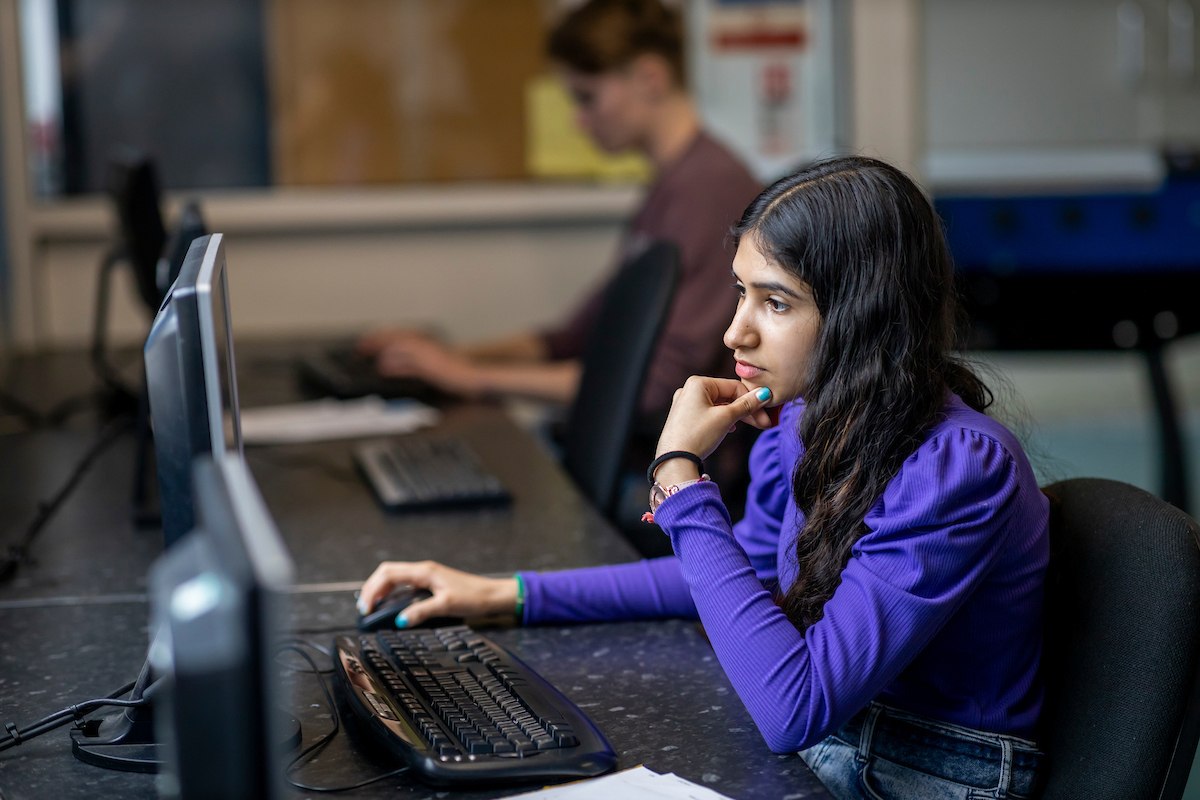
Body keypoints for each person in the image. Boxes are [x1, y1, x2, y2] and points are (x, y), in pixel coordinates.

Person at [357, 155, 1050, 799]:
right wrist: (506, 595)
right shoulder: (803, 420)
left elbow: (794, 708)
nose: (735, 332)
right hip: (841, 742)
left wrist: (681, 479)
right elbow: (736, 569)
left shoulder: (958, 469)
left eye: (775, 304)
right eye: (740, 293)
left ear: (862, 318)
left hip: (922, 770)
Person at [356, 0, 762, 510]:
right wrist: (449, 357)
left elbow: (651, 385)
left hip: (672, 478)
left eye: (588, 97)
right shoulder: (673, 186)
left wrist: (470, 376)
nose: (578, 120)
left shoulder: (709, 190)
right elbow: (574, 337)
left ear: (650, 77)